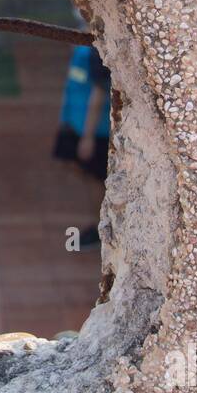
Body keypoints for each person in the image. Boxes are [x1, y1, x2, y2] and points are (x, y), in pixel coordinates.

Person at [53, 42, 111, 248]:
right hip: (75, 122)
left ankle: (101, 226)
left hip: (95, 129)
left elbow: (98, 93)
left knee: (96, 179)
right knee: (71, 163)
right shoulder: (81, 46)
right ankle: (101, 220)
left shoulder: (96, 50)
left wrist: (88, 136)